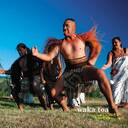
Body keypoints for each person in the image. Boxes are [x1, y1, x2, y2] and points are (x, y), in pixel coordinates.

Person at [32, 18, 118, 115]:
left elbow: (97, 46)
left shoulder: (82, 38)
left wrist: (92, 59)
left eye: (67, 26)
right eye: (63, 26)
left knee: (100, 73)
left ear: (74, 28)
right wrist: (37, 54)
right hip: (69, 72)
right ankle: (65, 108)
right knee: (53, 93)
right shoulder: (60, 44)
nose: (64, 28)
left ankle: (112, 105)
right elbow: (49, 56)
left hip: (84, 68)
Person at [0, 43, 49, 111]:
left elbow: (43, 64)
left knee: (35, 85)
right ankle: (21, 109)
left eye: (20, 50)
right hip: (25, 79)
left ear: (25, 48)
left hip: (35, 76)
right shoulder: (19, 61)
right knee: (15, 91)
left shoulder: (33, 55)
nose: (19, 52)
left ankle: (45, 108)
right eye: (18, 51)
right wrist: (4, 71)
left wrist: (42, 77)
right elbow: (13, 70)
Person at [101, 37, 128, 108]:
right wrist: (103, 68)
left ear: (120, 42)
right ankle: (115, 103)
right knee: (117, 87)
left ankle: (124, 103)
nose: (114, 43)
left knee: (126, 88)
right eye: (113, 42)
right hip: (116, 74)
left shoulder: (126, 50)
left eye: (116, 42)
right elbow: (109, 63)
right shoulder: (111, 53)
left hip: (126, 72)